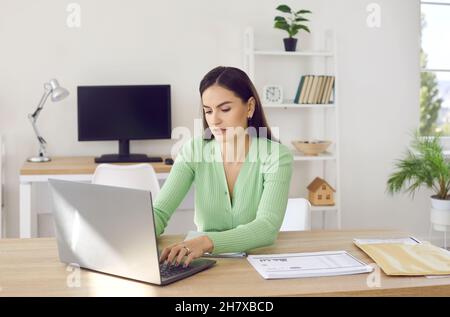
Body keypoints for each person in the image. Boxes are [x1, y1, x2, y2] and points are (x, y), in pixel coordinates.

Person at [156, 66, 293, 267]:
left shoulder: (277, 156)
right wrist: (133, 237)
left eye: (225, 109)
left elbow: (267, 227)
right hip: (204, 265)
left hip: (258, 265)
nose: (215, 120)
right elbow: (160, 211)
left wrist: (206, 242)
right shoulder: (194, 150)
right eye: (208, 111)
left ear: (249, 107)